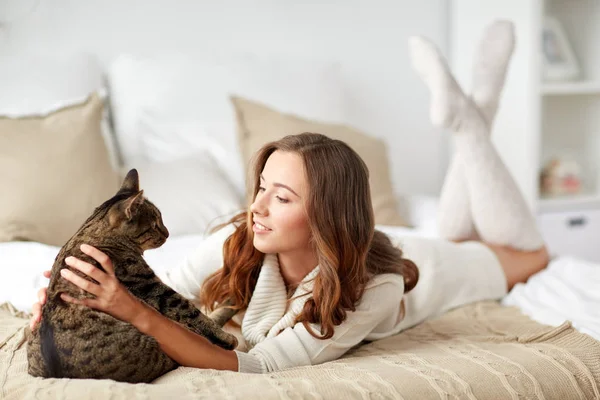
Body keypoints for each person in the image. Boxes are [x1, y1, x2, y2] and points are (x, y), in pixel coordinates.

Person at [29, 20, 549, 374]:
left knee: (530, 254)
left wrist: (136, 314)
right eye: (259, 188)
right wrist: (88, 305)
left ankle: (472, 124)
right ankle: (472, 116)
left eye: (281, 197)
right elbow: (174, 293)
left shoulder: (377, 289)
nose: (255, 208)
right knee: (461, 226)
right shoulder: (241, 240)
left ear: (325, 214)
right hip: (389, 245)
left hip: (429, 268)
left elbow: (258, 368)